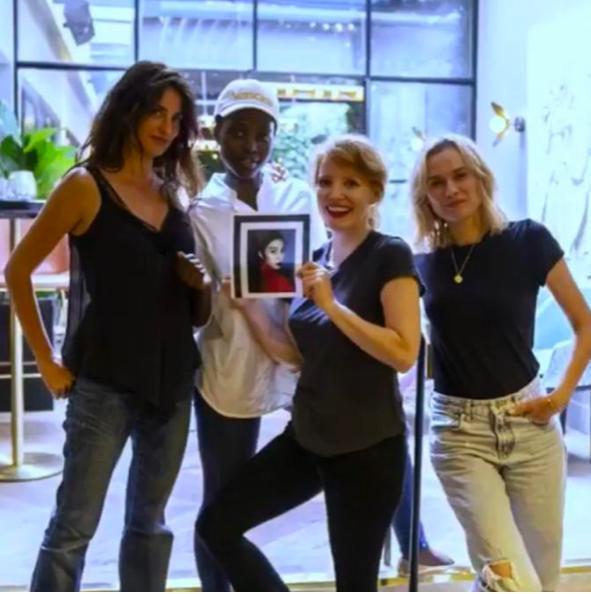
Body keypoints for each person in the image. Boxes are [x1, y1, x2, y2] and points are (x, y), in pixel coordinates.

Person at [4, 61, 212, 592]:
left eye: (176, 118)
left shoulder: (172, 191)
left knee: (151, 525)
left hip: (171, 382)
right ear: (129, 109)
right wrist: (46, 360)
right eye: (156, 113)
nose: (166, 127)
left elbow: (189, 303)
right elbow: (17, 271)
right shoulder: (85, 185)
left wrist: (200, 283)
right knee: (73, 527)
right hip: (104, 382)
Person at [195, 134, 422, 592]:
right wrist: (247, 306)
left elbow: (403, 352)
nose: (335, 194)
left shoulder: (389, 254)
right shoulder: (315, 261)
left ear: (375, 192)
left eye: (351, 183)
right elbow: (297, 356)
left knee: (355, 585)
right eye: (325, 182)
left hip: (367, 449)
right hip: (308, 437)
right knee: (216, 527)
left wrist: (332, 306)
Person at [410, 133, 591, 591]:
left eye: (460, 175)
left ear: (481, 177)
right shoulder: (420, 262)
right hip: (460, 434)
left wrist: (560, 396)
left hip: (530, 424)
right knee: (515, 583)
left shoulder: (528, 240)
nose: (451, 189)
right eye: (436, 183)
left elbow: (584, 324)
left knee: (541, 581)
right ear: (424, 195)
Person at [188, 78, 326, 592]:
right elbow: (197, 308)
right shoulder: (201, 211)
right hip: (229, 362)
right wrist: (203, 288)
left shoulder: (296, 197)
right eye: (238, 131)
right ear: (216, 131)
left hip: (298, 356)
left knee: (349, 457)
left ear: (274, 136)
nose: (251, 145)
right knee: (221, 500)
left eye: (262, 133)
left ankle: (409, 540)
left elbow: (320, 274)